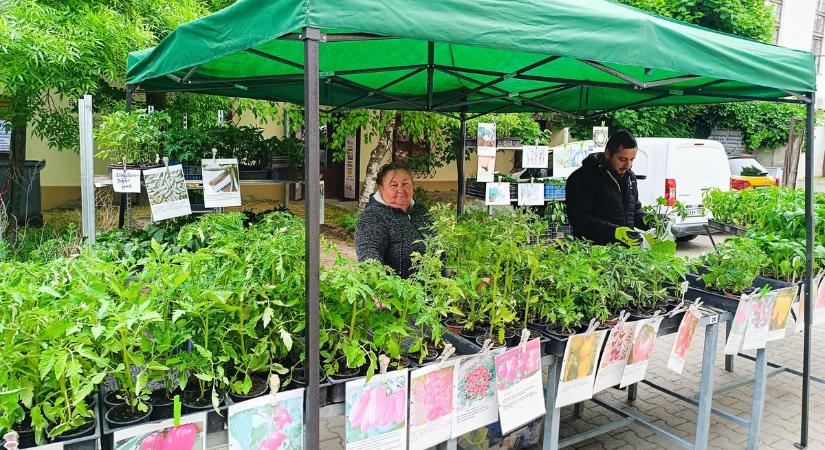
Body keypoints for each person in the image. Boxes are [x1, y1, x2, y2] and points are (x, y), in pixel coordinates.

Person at [565, 130, 648, 246]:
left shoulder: (630, 177)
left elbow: (634, 210)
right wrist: (614, 232)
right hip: (593, 254)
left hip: (625, 253)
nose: (628, 165)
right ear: (608, 153)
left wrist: (650, 221)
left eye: (632, 159)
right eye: (622, 159)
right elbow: (579, 219)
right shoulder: (582, 177)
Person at [355, 162, 431, 278]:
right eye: (394, 185)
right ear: (381, 188)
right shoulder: (373, 217)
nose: (400, 189)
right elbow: (369, 256)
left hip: (437, 291)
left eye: (405, 184)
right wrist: (385, 289)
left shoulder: (420, 211)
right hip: (402, 293)